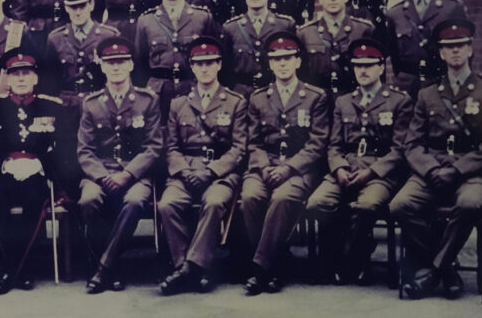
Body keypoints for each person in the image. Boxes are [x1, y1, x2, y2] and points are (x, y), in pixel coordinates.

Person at [391, 18, 482, 300]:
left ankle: (433, 271)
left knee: (470, 203)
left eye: (461, 45)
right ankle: (447, 269)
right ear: (440, 53)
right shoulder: (427, 95)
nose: (455, 52)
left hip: (471, 174)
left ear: (471, 50)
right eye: (449, 47)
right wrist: (432, 170)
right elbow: (411, 143)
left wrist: (457, 170)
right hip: (433, 171)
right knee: (399, 205)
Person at [305, 38, 412, 284]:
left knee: (367, 206)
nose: (362, 71)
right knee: (317, 203)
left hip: (379, 172)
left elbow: (400, 149)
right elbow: (334, 145)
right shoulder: (343, 101)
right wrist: (339, 168)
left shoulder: (398, 101)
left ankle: (352, 260)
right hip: (346, 166)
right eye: (357, 65)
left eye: (369, 65)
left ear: (381, 68)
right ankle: (332, 257)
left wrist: (371, 173)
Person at [0, 50, 77, 294]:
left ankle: (14, 269)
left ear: (35, 78)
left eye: (26, 74)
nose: (20, 79)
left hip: (37, 174)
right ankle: (18, 269)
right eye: (15, 74)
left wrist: (41, 164)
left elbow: (65, 147)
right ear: (7, 79)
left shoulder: (52, 106)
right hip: (4, 172)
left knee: (33, 200)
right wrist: (4, 163)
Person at [238, 32, 329, 295]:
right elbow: (252, 142)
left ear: (298, 62)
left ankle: (262, 268)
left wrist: (288, 168)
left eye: (288, 58)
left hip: (299, 169)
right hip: (264, 165)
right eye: (276, 59)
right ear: (269, 64)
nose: (282, 64)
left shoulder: (315, 97)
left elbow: (317, 143)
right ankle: (277, 262)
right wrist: (265, 167)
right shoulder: (258, 98)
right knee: (251, 196)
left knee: (281, 198)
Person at [157, 36, 248, 295]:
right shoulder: (178, 103)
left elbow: (239, 148)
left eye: (210, 63)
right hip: (186, 171)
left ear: (219, 65)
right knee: (167, 204)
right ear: (192, 67)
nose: (205, 68)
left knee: (215, 202)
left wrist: (211, 171)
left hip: (219, 172)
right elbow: (171, 147)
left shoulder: (235, 102)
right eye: (199, 64)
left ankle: (188, 270)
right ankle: (193, 269)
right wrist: (185, 172)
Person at [77, 37, 163, 293]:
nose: (116, 67)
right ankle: (110, 268)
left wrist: (127, 174)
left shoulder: (147, 100)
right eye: (110, 63)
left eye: (121, 62)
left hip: (136, 175)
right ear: (101, 66)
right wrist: (103, 178)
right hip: (100, 174)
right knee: (88, 200)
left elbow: (153, 146)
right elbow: (85, 150)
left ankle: (104, 267)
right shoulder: (91, 103)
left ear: (130, 65)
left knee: (135, 201)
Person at [132, 0, 217, 112]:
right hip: (158, 94)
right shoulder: (146, 21)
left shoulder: (202, 18)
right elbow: (139, 66)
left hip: (192, 90)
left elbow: (214, 59)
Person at [384, 0, 467, 98]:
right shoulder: (395, 13)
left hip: (442, 84)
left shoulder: (452, 7)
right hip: (407, 90)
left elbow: (465, 50)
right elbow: (395, 58)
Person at [296, 0, 376, 98]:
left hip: (353, 100)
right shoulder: (305, 33)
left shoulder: (363, 30)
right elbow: (301, 75)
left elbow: (374, 71)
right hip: (317, 101)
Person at [40, 0, 119, 107]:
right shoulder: (55, 39)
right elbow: (49, 81)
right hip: (66, 104)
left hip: (100, 103)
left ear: (91, 4)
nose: (78, 12)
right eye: (73, 7)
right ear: (66, 8)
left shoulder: (109, 36)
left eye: (82, 6)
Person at [220, 0, 296, 95]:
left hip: (274, 93)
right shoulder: (231, 28)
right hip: (241, 95)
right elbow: (225, 70)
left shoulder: (284, 25)